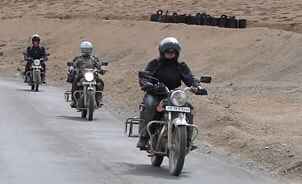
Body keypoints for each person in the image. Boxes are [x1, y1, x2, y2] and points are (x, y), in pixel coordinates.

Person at [137, 37, 206, 150]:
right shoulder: (155, 64)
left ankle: (187, 140)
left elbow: (189, 78)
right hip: (155, 93)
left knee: (188, 108)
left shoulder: (180, 66)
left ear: (177, 53)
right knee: (150, 104)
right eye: (167, 52)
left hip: (173, 95)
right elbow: (146, 76)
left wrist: (196, 86)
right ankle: (144, 137)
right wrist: (147, 84)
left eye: (173, 52)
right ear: (162, 52)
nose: (170, 54)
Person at [68, 41, 104, 108]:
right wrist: (72, 68)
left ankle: (99, 99)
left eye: (88, 49)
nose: (86, 51)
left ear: (91, 50)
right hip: (81, 75)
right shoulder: (78, 58)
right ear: (82, 49)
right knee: (75, 82)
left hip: (92, 75)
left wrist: (100, 69)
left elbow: (98, 65)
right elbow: (73, 65)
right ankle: (74, 100)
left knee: (100, 82)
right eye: (85, 49)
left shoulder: (94, 58)